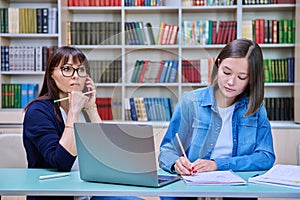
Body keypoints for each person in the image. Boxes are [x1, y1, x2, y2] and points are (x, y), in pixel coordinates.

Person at [158, 39, 276, 200]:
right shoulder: (191, 102)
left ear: (251, 79)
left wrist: (217, 165)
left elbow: (266, 157)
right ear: (218, 64)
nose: (230, 82)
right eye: (226, 72)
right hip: (190, 188)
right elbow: (167, 150)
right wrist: (175, 163)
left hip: (238, 191)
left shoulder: (255, 109)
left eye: (241, 77)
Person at [23, 46, 142, 200]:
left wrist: (92, 108)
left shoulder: (84, 107)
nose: (75, 76)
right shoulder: (38, 112)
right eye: (67, 69)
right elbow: (61, 162)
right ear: (51, 74)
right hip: (58, 194)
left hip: (89, 192)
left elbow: (107, 158)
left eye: (80, 70)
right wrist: (73, 112)